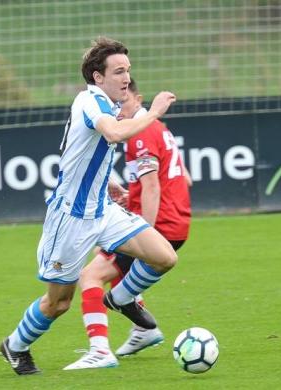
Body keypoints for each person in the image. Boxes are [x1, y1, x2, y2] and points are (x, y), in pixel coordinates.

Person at [0, 37, 178, 375]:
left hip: (102, 210)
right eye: (118, 71)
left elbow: (79, 148)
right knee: (59, 303)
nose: (126, 78)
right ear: (98, 77)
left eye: (128, 70)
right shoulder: (90, 100)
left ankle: (121, 299)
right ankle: (15, 345)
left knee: (164, 256)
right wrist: (153, 113)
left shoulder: (108, 103)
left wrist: (107, 180)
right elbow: (112, 134)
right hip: (70, 218)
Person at [64, 79, 192, 370]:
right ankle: (143, 330)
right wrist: (130, 195)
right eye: (115, 105)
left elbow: (152, 188)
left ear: (139, 98)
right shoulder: (159, 130)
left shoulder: (141, 133)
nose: (118, 110)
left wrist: (145, 230)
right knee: (112, 268)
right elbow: (185, 178)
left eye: (123, 103)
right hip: (178, 221)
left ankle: (99, 350)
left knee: (90, 276)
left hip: (161, 224)